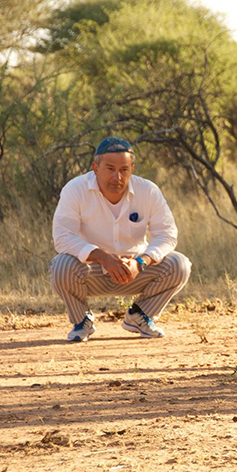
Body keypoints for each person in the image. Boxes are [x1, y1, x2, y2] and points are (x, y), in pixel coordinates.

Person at [49, 137, 192, 342]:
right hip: (91, 270)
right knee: (60, 265)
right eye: (109, 168)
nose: (117, 176)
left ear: (132, 168)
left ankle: (140, 315)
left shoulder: (148, 191)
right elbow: (63, 238)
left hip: (134, 271)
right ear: (95, 167)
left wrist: (140, 262)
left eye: (124, 169)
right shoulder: (75, 189)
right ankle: (82, 320)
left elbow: (167, 235)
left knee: (180, 264)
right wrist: (103, 257)